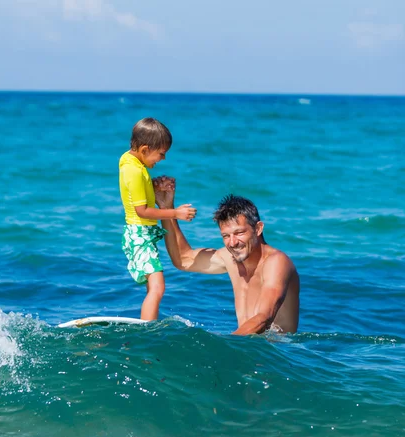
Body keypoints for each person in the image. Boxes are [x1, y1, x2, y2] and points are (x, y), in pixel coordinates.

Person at [153, 176, 299, 334]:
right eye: (226, 236)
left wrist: (228, 346)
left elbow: (264, 318)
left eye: (239, 233)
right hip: (245, 345)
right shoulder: (230, 258)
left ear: (258, 229)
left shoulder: (276, 262)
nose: (233, 242)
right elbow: (183, 260)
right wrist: (165, 208)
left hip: (275, 352)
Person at [119, 118, 197, 321]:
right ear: (144, 149)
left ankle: (148, 323)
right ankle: (147, 330)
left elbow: (134, 194)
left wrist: (154, 187)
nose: (162, 159)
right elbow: (142, 211)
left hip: (140, 233)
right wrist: (175, 213)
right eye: (161, 153)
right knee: (158, 287)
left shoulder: (131, 162)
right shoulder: (135, 170)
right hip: (139, 234)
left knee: (154, 286)